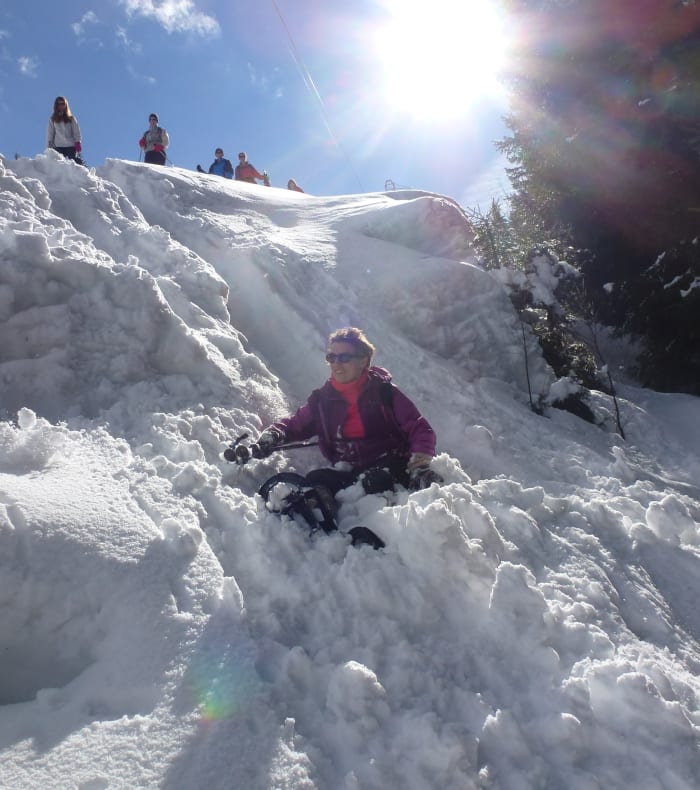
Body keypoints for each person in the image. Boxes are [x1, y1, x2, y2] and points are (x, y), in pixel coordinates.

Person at [246, 327, 443, 501]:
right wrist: (273, 436)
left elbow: (419, 428)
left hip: (390, 464)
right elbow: (295, 425)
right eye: (331, 357)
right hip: (349, 470)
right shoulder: (323, 400)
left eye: (344, 357)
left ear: (363, 360)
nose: (336, 364)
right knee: (316, 481)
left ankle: (379, 526)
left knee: (377, 481)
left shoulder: (385, 393)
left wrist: (419, 464)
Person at [47, 96, 82, 161]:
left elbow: (76, 131)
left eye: (62, 104)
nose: (61, 106)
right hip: (58, 146)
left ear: (66, 105)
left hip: (70, 146)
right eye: (58, 104)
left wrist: (78, 142)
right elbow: (50, 134)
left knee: (73, 165)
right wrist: (49, 146)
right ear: (56, 106)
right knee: (59, 165)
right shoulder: (53, 119)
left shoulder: (71, 118)